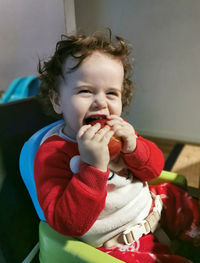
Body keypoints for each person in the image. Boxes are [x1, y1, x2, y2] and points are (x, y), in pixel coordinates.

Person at [35, 30, 200, 263]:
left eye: (111, 93)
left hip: (152, 205)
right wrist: (93, 167)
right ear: (57, 100)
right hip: (119, 244)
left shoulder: (120, 131)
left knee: (179, 196)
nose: (101, 102)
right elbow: (67, 223)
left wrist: (133, 146)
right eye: (85, 91)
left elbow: (152, 171)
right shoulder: (53, 153)